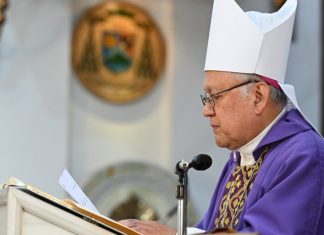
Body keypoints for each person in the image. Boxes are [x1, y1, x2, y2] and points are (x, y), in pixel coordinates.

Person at [120, 0, 324, 234]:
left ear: (258, 96)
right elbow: (210, 230)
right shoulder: (240, 158)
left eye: (214, 96)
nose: (206, 110)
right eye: (206, 97)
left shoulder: (303, 156)